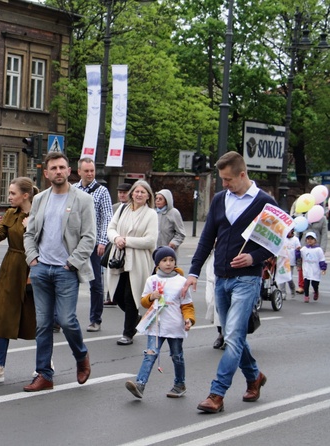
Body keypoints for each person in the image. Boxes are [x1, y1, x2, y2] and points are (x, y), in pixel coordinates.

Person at [181, 151, 276, 414]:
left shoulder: (265, 203)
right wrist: (193, 272)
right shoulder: (221, 199)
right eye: (222, 179)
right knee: (233, 335)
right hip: (220, 277)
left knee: (232, 337)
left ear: (242, 174)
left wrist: (254, 257)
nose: (224, 184)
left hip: (247, 280)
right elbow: (207, 237)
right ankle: (254, 377)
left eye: (227, 179)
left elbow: (276, 243)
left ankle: (217, 394)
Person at [23, 151, 95, 392]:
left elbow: (89, 237)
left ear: (69, 171)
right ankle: (44, 374)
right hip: (41, 269)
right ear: (46, 173)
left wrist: (72, 262)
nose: (58, 172)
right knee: (42, 324)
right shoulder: (40, 199)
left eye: (62, 167)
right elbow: (29, 233)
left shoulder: (83, 200)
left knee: (66, 320)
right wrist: (32, 258)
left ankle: (81, 356)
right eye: (53, 168)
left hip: (66, 270)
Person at [0, 177, 38, 383]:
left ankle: (44, 364)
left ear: (25, 195)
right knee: (3, 316)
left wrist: (32, 226)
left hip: (33, 267)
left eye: (13, 193)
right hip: (10, 267)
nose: (9, 197)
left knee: (35, 318)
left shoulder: (39, 214)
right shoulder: (11, 213)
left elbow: (47, 241)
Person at [125, 246, 195, 399]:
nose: (168, 263)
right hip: (156, 326)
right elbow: (143, 301)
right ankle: (140, 385)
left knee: (177, 356)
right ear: (157, 264)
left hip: (175, 326)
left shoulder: (182, 281)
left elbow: (187, 305)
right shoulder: (152, 280)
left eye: (171, 260)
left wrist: (188, 319)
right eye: (164, 260)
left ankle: (179, 384)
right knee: (150, 354)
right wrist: (151, 297)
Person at [106, 180, 158, 346]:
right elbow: (111, 228)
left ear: (148, 196)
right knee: (117, 294)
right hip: (118, 258)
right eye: (137, 191)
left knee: (131, 296)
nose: (139, 194)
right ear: (132, 193)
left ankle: (128, 332)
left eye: (143, 192)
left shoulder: (151, 214)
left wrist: (127, 240)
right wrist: (116, 238)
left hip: (138, 261)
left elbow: (150, 241)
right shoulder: (122, 209)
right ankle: (135, 318)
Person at [73, 158, 113, 332]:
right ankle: (61, 319)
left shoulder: (102, 191)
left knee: (95, 283)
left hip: (94, 243)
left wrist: (103, 241)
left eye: (92, 170)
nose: (90, 174)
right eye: (86, 171)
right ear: (79, 171)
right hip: (74, 243)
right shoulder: (73, 189)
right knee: (67, 281)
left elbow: (107, 218)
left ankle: (95, 319)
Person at [104, 182, 131, 307]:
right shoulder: (115, 207)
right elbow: (110, 226)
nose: (121, 195)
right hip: (115, 244)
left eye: (124, 193)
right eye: (120, 192)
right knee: (112, 269)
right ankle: (111, 295)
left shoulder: (133, 208)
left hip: (128, 245)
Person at [296, 231, 327, 303]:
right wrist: (297, 251)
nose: (309, 240)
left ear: (315, 240)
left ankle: (316, 291)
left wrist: (323, 268)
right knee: (306, 284)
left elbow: (322, 259)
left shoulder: (318, 250)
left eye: (311, 239)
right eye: (308, 239)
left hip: (315, 270)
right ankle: (306, 296)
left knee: (314, 284)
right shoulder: (304, 249)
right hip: (307, 269)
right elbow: (298, 256)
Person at [277, 229, 300, 300]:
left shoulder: (295, 240)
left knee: (289, 278)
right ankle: (283, 293)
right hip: (282, 261)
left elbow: (298, 252)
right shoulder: (282, 238)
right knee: (282, 277)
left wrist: (298, 264)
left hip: (291, 262)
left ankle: (292, 288)